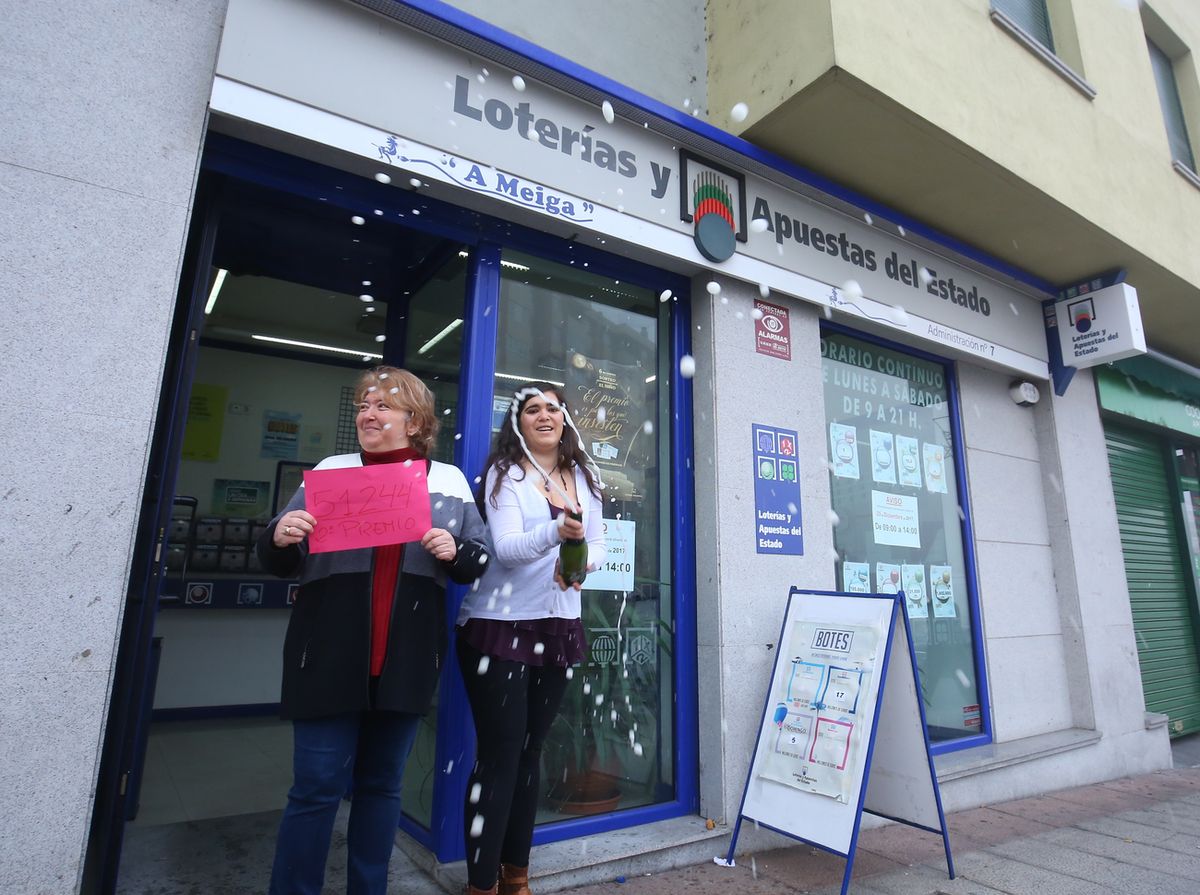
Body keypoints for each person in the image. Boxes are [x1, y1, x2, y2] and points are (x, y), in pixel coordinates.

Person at [257, 366, 489, 895]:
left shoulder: (447, 481)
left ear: (415, 420)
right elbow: (280, 556)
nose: (368, 413)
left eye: (383, 405)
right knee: (315, 790)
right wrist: (280, 535)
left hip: (405, 657)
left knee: (382, 788)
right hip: (329, 653)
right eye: (364, 404)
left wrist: (457, 553)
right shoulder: (332, 470)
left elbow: (479, 560)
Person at [455, 383, 606, 895]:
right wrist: (557, 533)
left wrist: (582, 563)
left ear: (566, 419)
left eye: (554, 409)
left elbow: (599, 544)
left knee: (529, 752)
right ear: (518, 422)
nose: (545, 416)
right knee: (499, 755)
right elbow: (508, 549)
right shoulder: (506, 473)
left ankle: (516, 876)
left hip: (558, 625)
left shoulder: (584, 475)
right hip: (500, 626)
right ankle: (481, 884)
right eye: (533, 409)